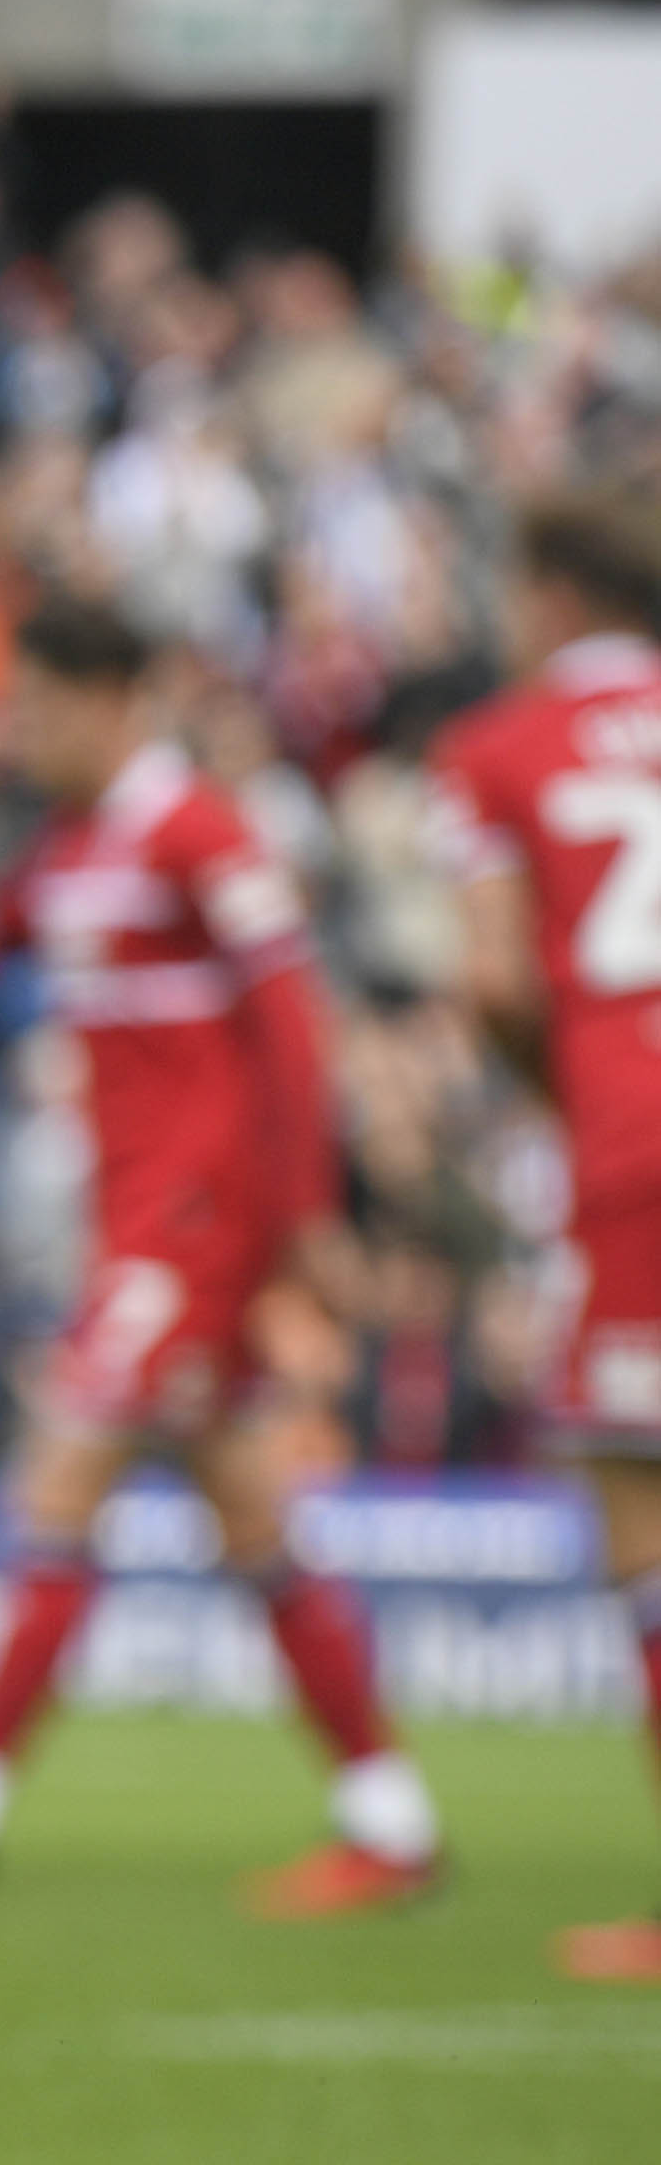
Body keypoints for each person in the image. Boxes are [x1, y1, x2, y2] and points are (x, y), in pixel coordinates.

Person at [0, 596, 439, 1912]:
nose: (13, 731)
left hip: (194, 1222)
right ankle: (390, 1820)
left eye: (32, 707)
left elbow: (291, 1024)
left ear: (105, 697)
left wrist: (304, 1215)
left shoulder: (194, 829)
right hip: (133, 1217)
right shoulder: (73, 844)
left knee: (64, 1476)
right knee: (247, 1515)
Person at [434, 495, 661, 1979]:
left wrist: (563, 1093)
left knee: (635, 1513)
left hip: (637, 1154)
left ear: (542, 591)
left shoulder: (498, 747)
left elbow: (493, 979)